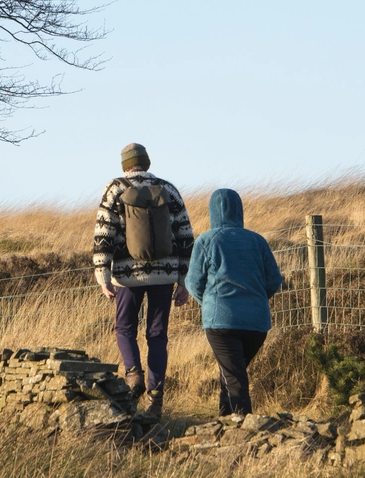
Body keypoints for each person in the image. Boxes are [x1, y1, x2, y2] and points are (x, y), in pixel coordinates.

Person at [92, 142, 194, 416]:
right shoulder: (168, 189)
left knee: (124, 329)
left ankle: (133, 373)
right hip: (164, 275)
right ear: (147, 162)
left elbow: (104, 233)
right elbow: (185, 236)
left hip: (127, 275)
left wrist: (102, 274)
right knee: (157, 335)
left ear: (125, 164)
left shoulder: (115, 188)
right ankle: (155, 398)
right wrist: (184, 280)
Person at [184, 188, 285, 417]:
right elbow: (274, 280)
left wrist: (210, 302)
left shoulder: (206, 240)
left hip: (221, 323)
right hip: (257, 324)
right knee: (231, 373)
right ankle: (224, 423)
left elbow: (192, 283)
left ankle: (243, 431)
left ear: (211, 211)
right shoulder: (257, 241)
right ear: (240, 210)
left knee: (234, 377)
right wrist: (256, 300)